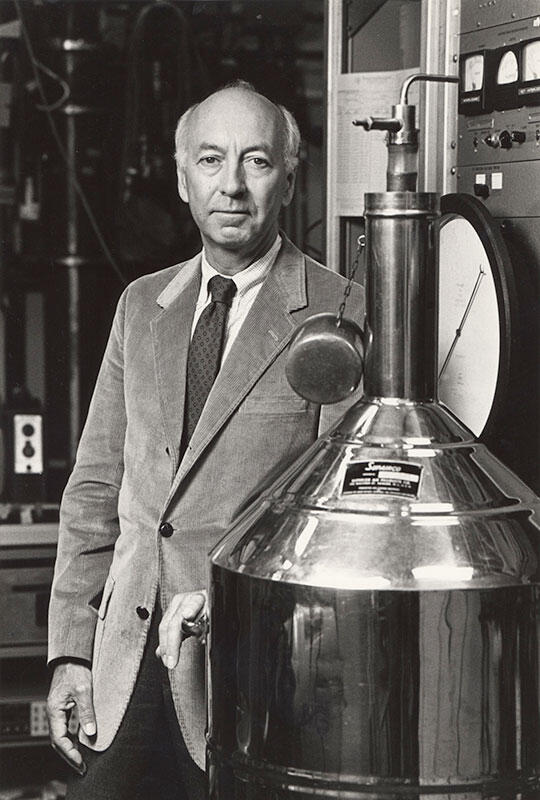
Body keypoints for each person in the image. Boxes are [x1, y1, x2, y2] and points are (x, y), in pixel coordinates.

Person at [46, 80, 364, 800]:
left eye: (256, 161)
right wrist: (71, 650)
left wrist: (231, 599)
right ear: (181, 176)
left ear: (290, 173)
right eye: (212, 160)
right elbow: (97, 486)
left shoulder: (338, 313)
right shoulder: (142, 306)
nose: (232, 186)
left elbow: (340, 520)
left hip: (251, 674)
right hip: (125, 663)